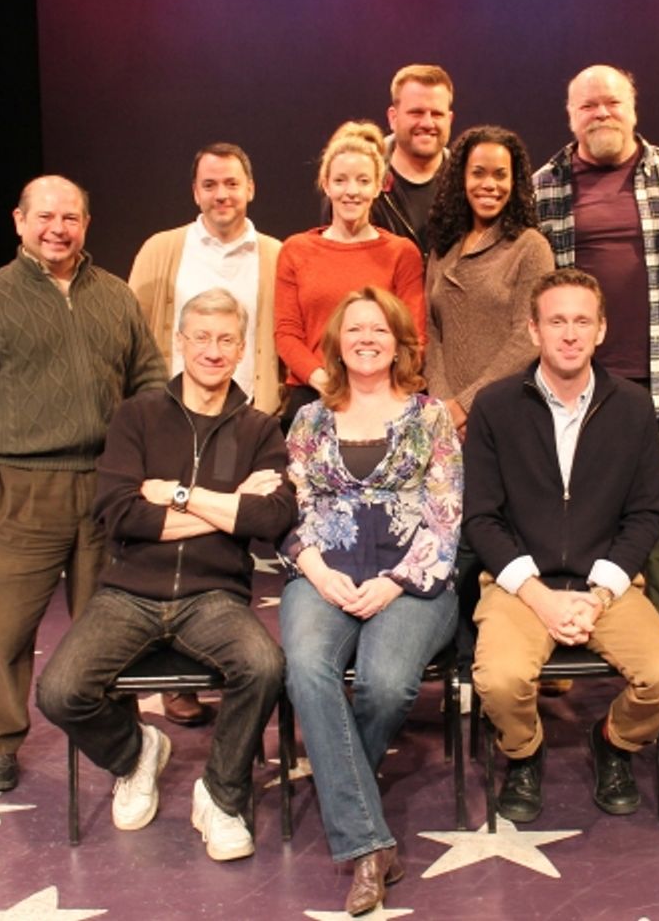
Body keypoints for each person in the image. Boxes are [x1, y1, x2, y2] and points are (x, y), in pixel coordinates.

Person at [37, 288, 293, 862]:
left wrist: (178, 496)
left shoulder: (259, 429)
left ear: (242, 348)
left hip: (214, 597)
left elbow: (271, 518)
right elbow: (121, 512)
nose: (212, 349)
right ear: (180, 342)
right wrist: (225, 509)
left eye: (226, 339)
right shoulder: (139, 415)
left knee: (263, 666)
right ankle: (136, 754)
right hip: (129, 591)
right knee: (59, 691)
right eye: (201, 337)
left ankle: (221, 797)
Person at [0, 175, 166, 794]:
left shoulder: (116, 297)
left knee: (107, 627)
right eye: (45, 217)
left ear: (86, 224)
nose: (57, 228)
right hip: (17, 491)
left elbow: (149, 381)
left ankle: (121, 744)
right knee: (5, 630)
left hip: (104, 488)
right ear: (19, 221)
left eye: (70, 217)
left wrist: (140, 465)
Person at [466, 269, 659, 824]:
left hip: (605, 585)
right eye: (557, 321)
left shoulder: (635, 407)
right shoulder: (495, 407)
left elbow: (644, 515)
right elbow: (481, 519)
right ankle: (524, 751)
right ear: (534, 329)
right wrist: (540, 597)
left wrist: (598, 593)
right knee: (498, 680)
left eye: (582, 321)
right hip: (518, 585)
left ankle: (614, 742)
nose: (570, 334)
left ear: (601, 330)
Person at [278, 288, 460, 917]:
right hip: (322, 574)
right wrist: (317, 571)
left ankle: (339, 788)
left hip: (414, 580)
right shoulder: (307, 420)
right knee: (306, 667)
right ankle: (368, 845)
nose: (366, 337)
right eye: (354, 328)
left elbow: (446, 522)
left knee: (385, 684)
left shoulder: (431, 417)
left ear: (399, 340)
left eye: (378, 328)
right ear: (336, 342)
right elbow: (289, 510)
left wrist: (394, 582)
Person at [533, 64, 659, 638]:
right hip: (572, 395)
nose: (600, 113)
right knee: (568, 520)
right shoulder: (543, 186)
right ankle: (563, 640)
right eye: (587, 105)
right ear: (570, 115)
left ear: (633, 109)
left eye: (611, 102)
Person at [128, 141, 283, 726]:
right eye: (210, 184)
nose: (222, 195)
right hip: (175, 418)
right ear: (196, 191)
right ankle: (177, 679)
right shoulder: (163, 250)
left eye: (232, 184)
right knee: (177, 540)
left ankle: (226, 659)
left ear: (251, 188)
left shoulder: (275, 252)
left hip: (246, 422)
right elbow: (137, 338)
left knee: (231, 547)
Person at [276, 122, 425, 428]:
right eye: (341, 180)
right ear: (326, 184)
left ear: (379, 185)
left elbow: (413, 336)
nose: (352, 191)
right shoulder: (296, 250)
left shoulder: (401, 253)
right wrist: (324, 381)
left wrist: (372, 386)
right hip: (312, 395)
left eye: (362, 180)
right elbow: (287, 334)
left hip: (383, 399)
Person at [425, 125, 554, 439]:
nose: (489, 185)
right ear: (461, 179)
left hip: (508, 413)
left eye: (500, 175)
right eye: (478, 173)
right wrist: (445, 404)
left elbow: (527, 338)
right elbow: (433, 330)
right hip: (446, 421)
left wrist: (467, 405)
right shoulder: (443, 247)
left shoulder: (530, 246)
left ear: (514, 181)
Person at [321, 64, 455, 256]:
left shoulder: (467, 183)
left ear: (449, 120)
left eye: (437, 114)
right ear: (393, 118)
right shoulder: (354, 181)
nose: (427, 123)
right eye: (416, 112)